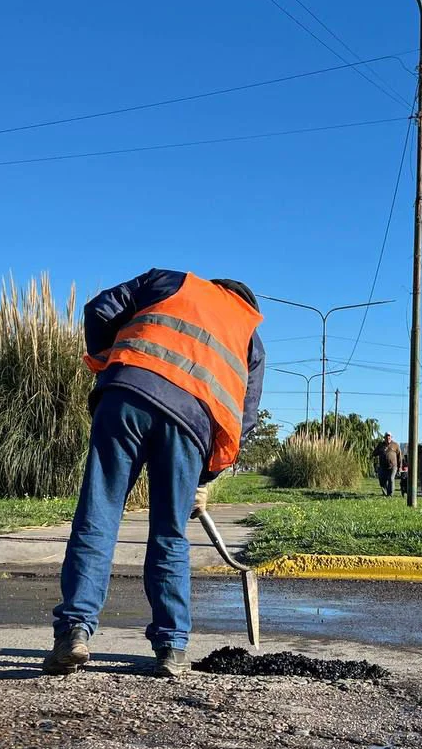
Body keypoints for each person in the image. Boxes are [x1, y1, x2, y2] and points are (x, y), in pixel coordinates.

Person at [44, 269, 265, 678]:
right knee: (170, 532)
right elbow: (243, 417)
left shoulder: (169, 280)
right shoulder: (249, 334)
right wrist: (206, 478)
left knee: (98, 516)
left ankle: (75, 632)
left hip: (125, 398)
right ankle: (172, 647)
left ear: (217, 287)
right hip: (191, 423)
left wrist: (108, 361)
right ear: (246, 304)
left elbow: (99, 309)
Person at [372, 431, 402, 497]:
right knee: (382, 480)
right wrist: (380, 451)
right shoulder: (380, 445)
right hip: (383, 466)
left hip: (393, 466)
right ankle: (385, 493)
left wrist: (399, 467)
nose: (388, 438)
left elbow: (399, 457)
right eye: (386, 436)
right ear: (384, 438)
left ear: (391, 437)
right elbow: (374, 453)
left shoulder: (395, 445)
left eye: (389, 436)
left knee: (391, 479)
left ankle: (390, 494)